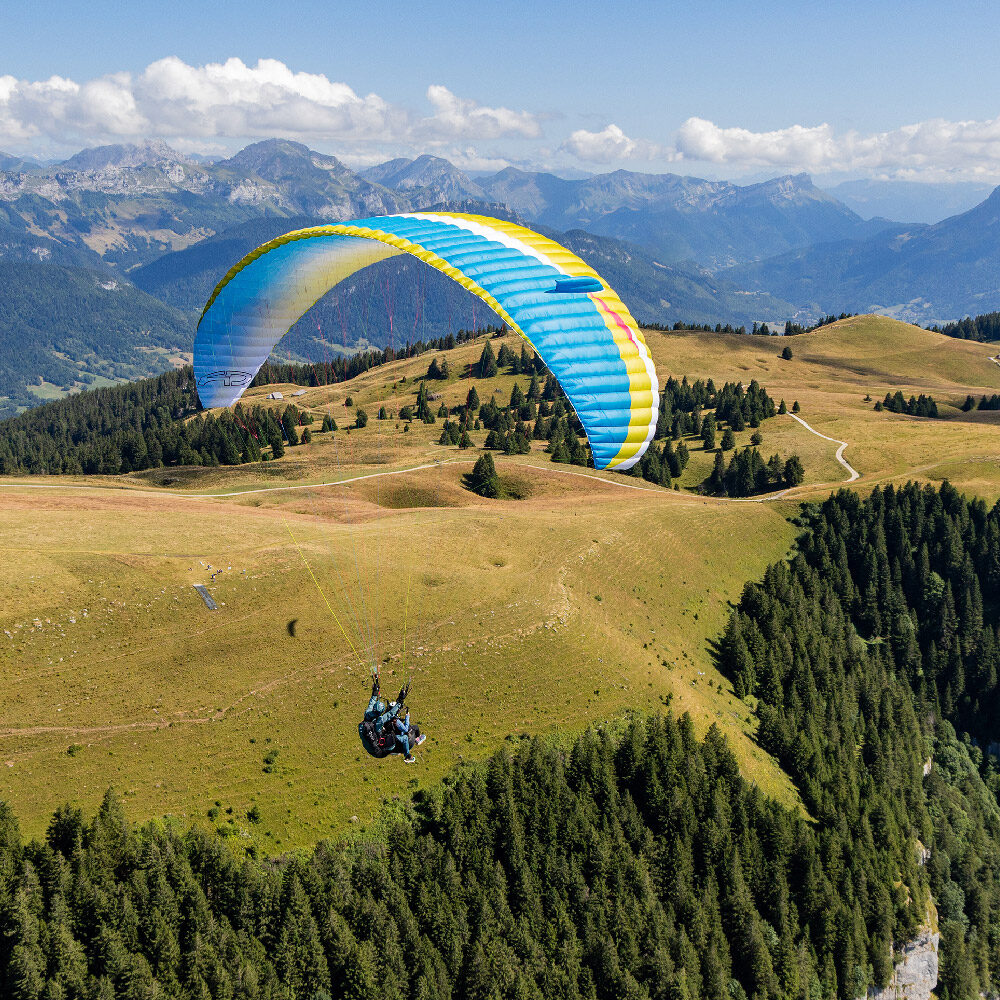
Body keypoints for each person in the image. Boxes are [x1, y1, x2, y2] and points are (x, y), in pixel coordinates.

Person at [359, 675, 424, 761]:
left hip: (370, 748)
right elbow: (390, 714)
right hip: (380, 751)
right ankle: (407, 755)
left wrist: (375, 692)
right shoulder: (379, 720)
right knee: (404, 738)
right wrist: (400, 701)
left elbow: (371, 703)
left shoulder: (367, 715)